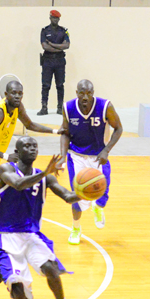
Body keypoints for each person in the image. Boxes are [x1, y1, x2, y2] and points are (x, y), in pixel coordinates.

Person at [0, 137, 84, 299]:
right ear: (17, 150)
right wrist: (45, 173)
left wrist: (88, 191)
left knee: (51, 268)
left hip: (31, 235)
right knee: (17, 291)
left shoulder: (46, 178)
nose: (32, 148)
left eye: (35, 146)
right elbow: (18, 184)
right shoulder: (5, 169)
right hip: (5, 238)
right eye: (27, 145)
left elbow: (68, 196)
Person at [0, 80, 62, 192]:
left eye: (20, 93)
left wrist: (56, 131)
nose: (17, 96)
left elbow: (30, 125)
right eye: (14, 93)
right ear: (6, 94)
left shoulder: (18, 107)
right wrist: (6, 156)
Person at [59, 79, 123, 245]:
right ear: (77, 93)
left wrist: (106, 150)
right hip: (76, 156)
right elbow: (65, 133)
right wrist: (62, 157)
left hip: (98, 156)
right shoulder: (68, 108)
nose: (85, 96)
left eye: (89, 93)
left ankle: (98, 207)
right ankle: (76, 228)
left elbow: (119, 128)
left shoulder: (105, 106)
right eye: (82, 93)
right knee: (77, 195)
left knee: (102, 192)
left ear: (93, 93)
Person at [38, 10, 69, 116]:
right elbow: (44, 46)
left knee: (60, 85)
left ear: (59, 19)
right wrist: (59, 47)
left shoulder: (63, 31)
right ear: (50, 18)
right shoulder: (44, 31)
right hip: (48, 60)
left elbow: (67, 45)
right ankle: (44, 107)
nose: (55, 20)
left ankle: (60, 108)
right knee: (45, 85)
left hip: (60, 61)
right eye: (53, 18)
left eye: (57, 18)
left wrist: (52, 44)